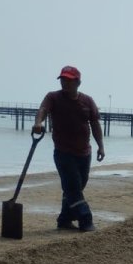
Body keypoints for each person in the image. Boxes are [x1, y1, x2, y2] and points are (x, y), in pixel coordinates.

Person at [32, 65, 105, 232]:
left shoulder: (87, 101)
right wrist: (38, 123)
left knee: (76, 187)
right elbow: (43, 109)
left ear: (78, 82)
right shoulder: (53, 97)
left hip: (84, 153)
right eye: (62, 80)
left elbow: (95, 125)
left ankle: (64, 219)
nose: (64, 83)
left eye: (69, 80)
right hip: (63, 152)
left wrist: (101, 146)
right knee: (72, 187)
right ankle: (86, 219)